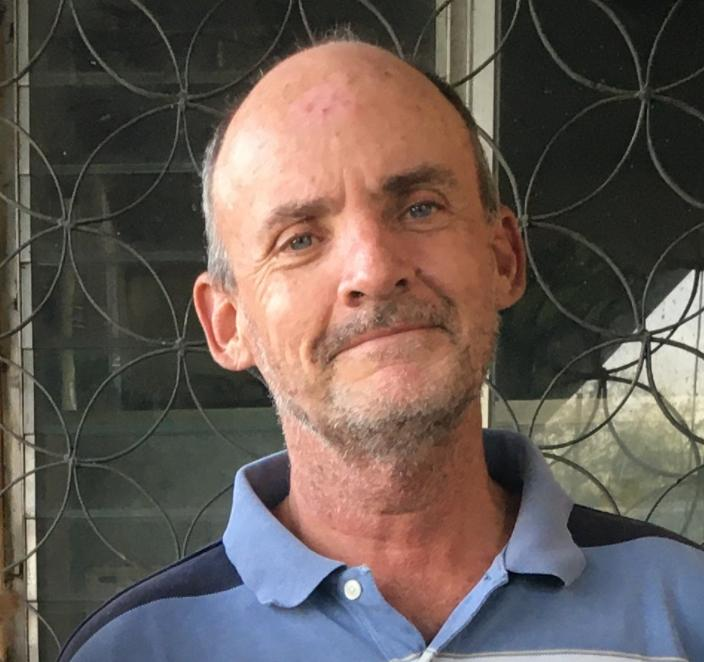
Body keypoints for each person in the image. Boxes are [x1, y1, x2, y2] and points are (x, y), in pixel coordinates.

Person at [59, 38, 704, 662]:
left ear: (503, 258)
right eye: (300, 240)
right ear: (228, 324)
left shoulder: (687, 611)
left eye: (420, 208)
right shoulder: (135, 650)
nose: (373, 270)